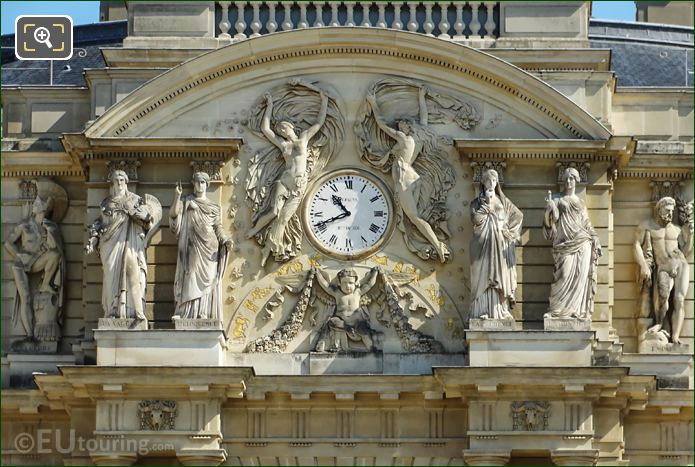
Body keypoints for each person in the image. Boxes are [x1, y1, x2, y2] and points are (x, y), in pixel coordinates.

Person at [366, 86, 450, 262]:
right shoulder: (418, 138)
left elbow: (381, 123)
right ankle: (435, 243)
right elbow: (424, 118)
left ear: (407, 126)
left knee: (413, 217)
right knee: (413, 216)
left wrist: (373, 103)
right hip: (412, 176)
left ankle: (438, 246)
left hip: (404, 178)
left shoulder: (402, 138)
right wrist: (421, 97)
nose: (399, 125)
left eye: (402, 124)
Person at [246, 87, 329, 266]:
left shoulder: (304, 139)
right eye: (280, 129)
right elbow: (266, 129)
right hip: (284, 179)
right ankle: (255, 231)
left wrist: (324, 100)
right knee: (274, 211)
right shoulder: (283, 145)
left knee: (283, 217)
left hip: (299, 182)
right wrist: (270, 106)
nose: (282, 130)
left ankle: (268, 247)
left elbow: (319, 123)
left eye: (284, 127)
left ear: (291, 127)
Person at [86, 170, 160, 321]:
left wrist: (138, 214)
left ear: (126, 181)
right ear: (112, 182)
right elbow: (99, 224)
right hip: (109, 244)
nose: (119, 183)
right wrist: (93, 239)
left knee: (134, 273)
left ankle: (137, 311)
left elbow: (147, 220)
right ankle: (112, 311)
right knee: (110, 276)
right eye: (116, 180)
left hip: (130, 242)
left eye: (121, 179)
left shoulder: (135, 200)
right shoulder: (107, 203)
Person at [170, 172, 232, 320]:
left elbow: (218, 226)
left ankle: (203, 312)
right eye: (197, 182)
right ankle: (187, 313)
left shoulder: (214, 206)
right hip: (192, 244)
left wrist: (225, 239)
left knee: (209, 279)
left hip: (210, 246)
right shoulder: (186, 201)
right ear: (193, 184)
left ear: (207, 184)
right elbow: (173, 215)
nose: (199, 185)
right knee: (190, 274)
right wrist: (177, 197)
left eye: (202, 182)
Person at [543, 167, 601, 320]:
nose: (568, 181)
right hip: (563, 244)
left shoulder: (580, 202)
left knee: (579, 279)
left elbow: (586, 223)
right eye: (566, 178)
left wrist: (594, 237)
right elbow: (549, 224)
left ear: (576, 181)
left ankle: (575, 311)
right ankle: (557, 312)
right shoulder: (556, 199)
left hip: (582, 242)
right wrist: (548, 211)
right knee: (563, 275)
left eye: (571, 178)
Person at [634, 196, 693, 344]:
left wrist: (691, 235)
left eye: (672, 212)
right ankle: (660, 323)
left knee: (679, 299)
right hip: (664, 267)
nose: (670, 214)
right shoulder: (647, 226)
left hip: (680, 264)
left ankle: (675, 336)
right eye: (667, 211)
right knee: (662, 297)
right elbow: (636, 245)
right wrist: (643, 264)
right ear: (659, 209)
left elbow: (685, 251)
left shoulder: (677, 230)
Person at [4, 195, 64, 340]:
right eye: (36, 203)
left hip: (36, 261)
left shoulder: (49, 226)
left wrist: (49, 231)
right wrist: (19, 255)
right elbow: (8, 243)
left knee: (54, 255)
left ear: (44, 208)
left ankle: (45, 285)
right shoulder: (24, 225)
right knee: (26, 298)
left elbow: (56, 249)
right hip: (21, 265)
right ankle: (30, 334)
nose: (35, 206)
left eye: (38, 204)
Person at [469, 169, 523, 320]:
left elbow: (518, 215)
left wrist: (510, 233)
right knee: (483, 277)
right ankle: (481, 311)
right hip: (482, 247)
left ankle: (499, 310)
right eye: (488, 180)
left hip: (499, 246)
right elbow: (475, 220)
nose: (491, 184)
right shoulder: (476, 203)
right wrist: (486, 205)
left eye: (494, 181)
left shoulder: (503, 202)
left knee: (499, 276)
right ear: (483, 183)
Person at [313, 267, 380, 352]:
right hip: (342, 322)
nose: (347, 286)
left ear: (355, 283)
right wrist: (317, 274)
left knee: (363, 329)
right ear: (339, 284)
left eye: (350, 283)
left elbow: (370, 284)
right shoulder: (337, 293)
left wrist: (375, 273)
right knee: (331, 322)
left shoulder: (358, 293)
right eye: (344, 283)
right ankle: (322, 342)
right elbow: (325, 285)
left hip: (356, 322)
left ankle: (371, 348)